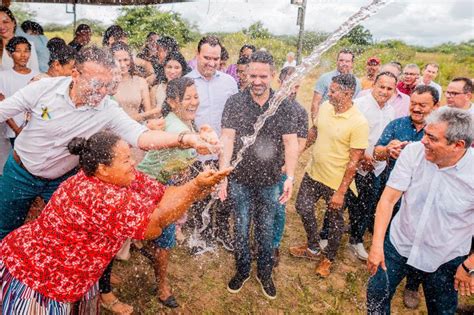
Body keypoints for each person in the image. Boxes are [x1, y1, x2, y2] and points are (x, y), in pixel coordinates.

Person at [0, 45, 221, 241]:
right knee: (5, 227)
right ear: (75, 74)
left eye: (107, 85)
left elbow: (141, 137)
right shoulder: (43, 89)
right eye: (96, 84)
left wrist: (185, 138)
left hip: (61, 181)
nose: (102, 92)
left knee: (68, 234)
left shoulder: (106, 108)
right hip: (20, 172)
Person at [0, 130, 232, 314]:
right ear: (102, 168)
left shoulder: (120, 177)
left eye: (131, 157)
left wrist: (197, 187)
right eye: (126, 160)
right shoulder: (98, 195)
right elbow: (154, 225)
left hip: (72, 274)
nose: (133, 163)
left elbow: (164, 195)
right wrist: (195, 187)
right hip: (37, 277)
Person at [367, 107, 474, 314]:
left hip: (445, 257)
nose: (423, 141)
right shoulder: (413, 152)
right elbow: (388, 200)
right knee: (376, 295)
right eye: (425, 133)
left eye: (432, 138)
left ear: (458, 145)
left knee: (442, 310)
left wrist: (470, 265)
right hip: (398, 245)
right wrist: (377, 245)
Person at [220, 51, 298, 300]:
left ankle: (265, 273)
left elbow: (291, 143)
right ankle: (242, 270)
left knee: (265, 230)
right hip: (240, 180)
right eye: (252, 75)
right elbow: (227, 139)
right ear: (245, 74)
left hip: (270, 182)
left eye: (263, 76)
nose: (257, 81)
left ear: (272, 75)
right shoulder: (234, 102)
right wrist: (223, 176)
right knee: (241, 229)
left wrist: (290, 177)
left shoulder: (283, 104)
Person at [289, 74, 368, 277]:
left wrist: (341, 192)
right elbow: (314, 132)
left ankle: (328, 258)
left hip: (336, 181)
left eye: (333, 91)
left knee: (334, 221)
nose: (329, 94)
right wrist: (297, 153)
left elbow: (354, 162)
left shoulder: (358, 122)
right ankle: (314, 247)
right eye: (330, 90)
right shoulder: (325, 107)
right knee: (302, 206)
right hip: (313, 172)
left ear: (348, 93)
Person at [373, 85, 440, 309]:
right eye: (413, 103)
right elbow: (376, 151)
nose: (417, 109)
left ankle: (413, 284)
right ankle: (388, 269)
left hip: (424, 201)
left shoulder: (439, 133)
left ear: (436, 107)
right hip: (393, 193)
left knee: (419, 242)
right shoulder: (397, 124)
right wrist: (387, 150)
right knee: (395, 239)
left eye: (423, 105)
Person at [138, 77, 202, 308]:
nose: (194, 102)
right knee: (166, 239)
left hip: (158, 184)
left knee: (154, 234)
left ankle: (145, 246)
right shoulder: (178, 130)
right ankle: (162, 287)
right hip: (151, 187)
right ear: (174, 102)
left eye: (196, 96)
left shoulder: (181, 121)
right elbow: (178, 174)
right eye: (188, 98)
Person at [185, 35, 238, 253]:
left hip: (223, 151)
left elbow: (234, 117)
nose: (211, 63)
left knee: (225, 197)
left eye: (216, 59)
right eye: (207, 57)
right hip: (196, 153)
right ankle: (201, 237)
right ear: (197, 55)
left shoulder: (229, 82)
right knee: (198, 197)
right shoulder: (187, 82)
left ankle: (223, 233)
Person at [348, 71, 398, 261]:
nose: (384, 92)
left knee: (366, 205)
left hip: (377, 167)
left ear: (394, 91)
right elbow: (349, 134)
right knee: (343, 201)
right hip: (356, 163)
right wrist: (363, 157)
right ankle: (325, 237)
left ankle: (356, 240)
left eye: (389, 89)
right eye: (381, 86)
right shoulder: (360, 105)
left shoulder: (391, 111)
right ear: (373, 85)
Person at [272, 66, 308, 267]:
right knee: (259, 205)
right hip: (263, 166)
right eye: (288, 85)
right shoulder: (268, 105)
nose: (292, 90)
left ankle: (273, 244)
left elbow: (301, 142)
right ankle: (259, 241)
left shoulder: (300, 112)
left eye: (296, 86)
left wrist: (287, 165)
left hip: (282, 169)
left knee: (279, 207)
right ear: (280, 82)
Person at [0, 37, 39, 145]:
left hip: (35, 131)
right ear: (9, 53)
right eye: (18, 51)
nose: (23, 55)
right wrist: (17, 130)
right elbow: (3, 107)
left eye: (26, 51)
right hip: (14, 131)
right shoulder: (3, 77)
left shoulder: (38, 76)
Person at [310, 48, 362, 120]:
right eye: (341, 60)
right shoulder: (324, 78)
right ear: (337, 61)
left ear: (352, 64)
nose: (344, 63)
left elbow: (356, 104)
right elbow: (315, 103)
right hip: (326, 119)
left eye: (347, 61)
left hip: (346, 121)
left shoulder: (357, 82)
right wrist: (315, 123)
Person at [110, 42, 152, 123]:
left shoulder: (141, 82)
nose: (122, 65)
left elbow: (148, 114)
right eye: (119, 61)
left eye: (126, 60)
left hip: (137, 128)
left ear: (131, 60)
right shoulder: (108, 83)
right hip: (113, 127)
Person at [0, 6, 39, 72]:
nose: (1, 26)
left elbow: (35, 73)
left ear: (14, 23)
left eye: (5, 22)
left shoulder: (28, 44)